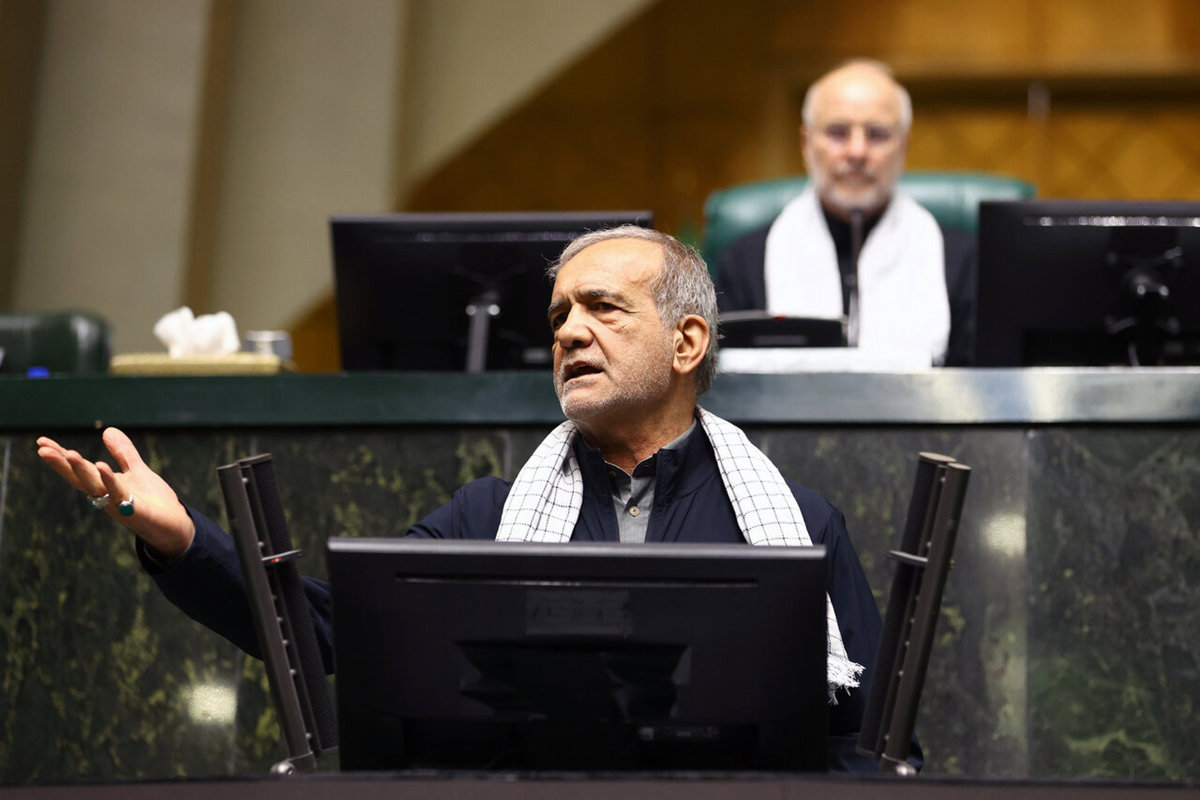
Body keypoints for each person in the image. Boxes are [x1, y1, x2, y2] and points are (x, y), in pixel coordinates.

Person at [36, 225, 901, 771]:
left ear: (687, 342)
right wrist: (186, 541)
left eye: (603, 308)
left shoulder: (796, 525)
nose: (568, 331)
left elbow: (867, 747)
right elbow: (328, 633)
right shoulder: (489, 517)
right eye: (559, 315)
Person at [715, 59, 976, 366]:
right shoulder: (744, 261)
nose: (857, 152)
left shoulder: (964, 261)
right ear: (806, 143)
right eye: (838, 132)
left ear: (904, 147)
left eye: (877, 134)